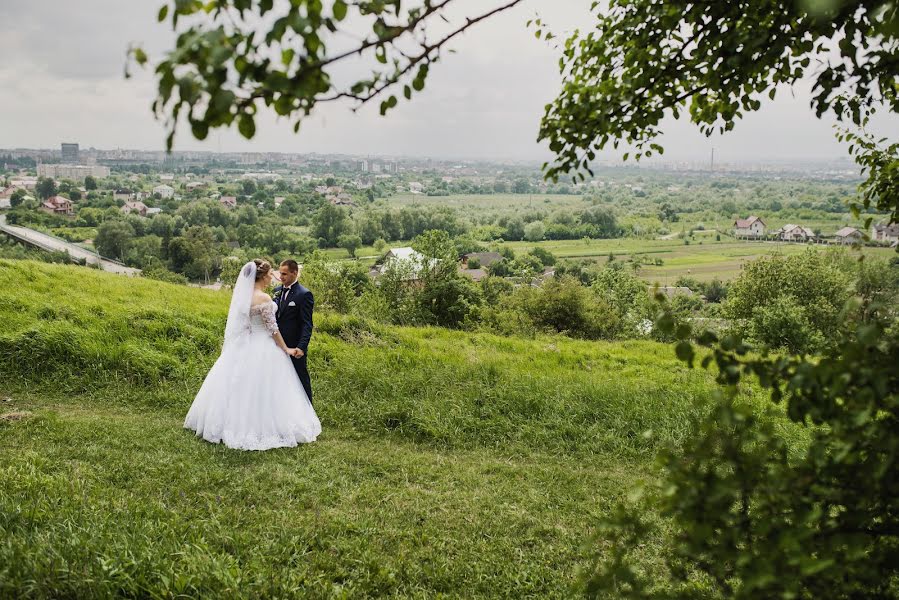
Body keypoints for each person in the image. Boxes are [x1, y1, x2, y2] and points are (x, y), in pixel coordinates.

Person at [184, 259, 320, 450]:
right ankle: (268, 424)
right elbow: (272, 329)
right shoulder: (265, 298)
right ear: (263, 276)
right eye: (270, 274)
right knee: (269, 388)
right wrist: (286, 349)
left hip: (246, 343)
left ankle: (228, 423)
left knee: (241, 387)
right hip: (265, 343)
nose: (274, 278)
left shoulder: (243, 297)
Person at [272, 259, 314, 404]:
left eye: (284, 274)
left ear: (294, 273)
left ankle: (308, 409)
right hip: (276, 345)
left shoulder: (304, 294)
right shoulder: (276, 291)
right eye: (280, 273)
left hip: (294, 346)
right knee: (280, 379)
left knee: (300, 378)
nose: (281, 277)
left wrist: (301, 347)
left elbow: (307, 324)